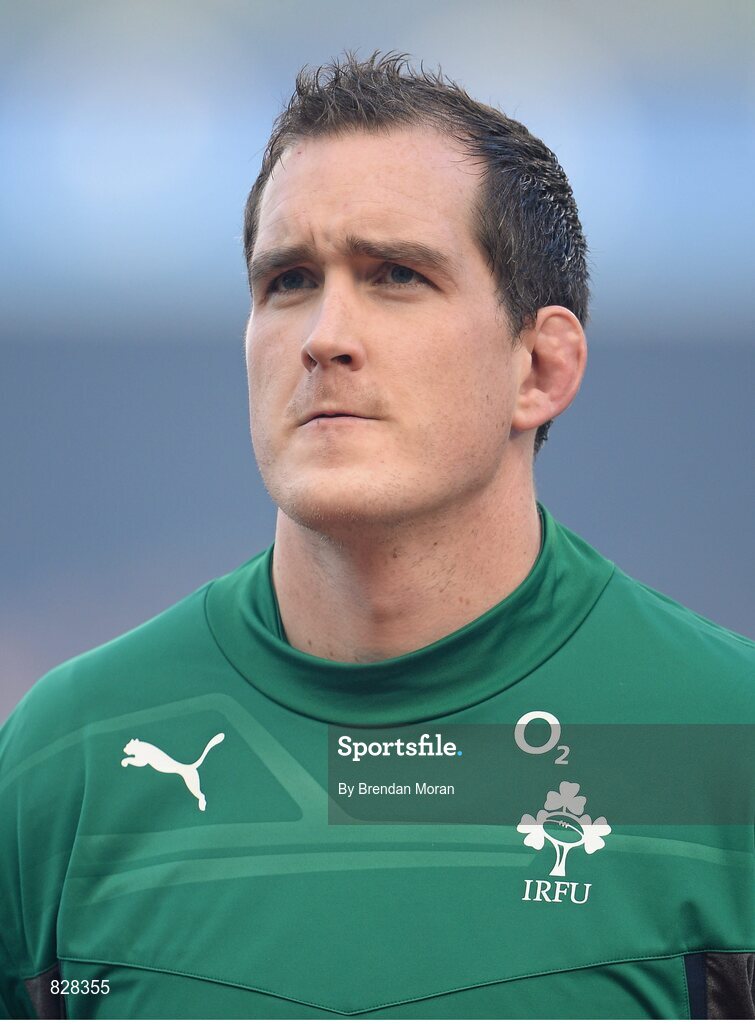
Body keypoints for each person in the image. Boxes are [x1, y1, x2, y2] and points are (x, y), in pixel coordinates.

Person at [1, 51, 752, 1020]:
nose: (323, 335)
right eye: (287, 280)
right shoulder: (67, 758)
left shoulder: (725, 741)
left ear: (539, 367)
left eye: (395, 274)